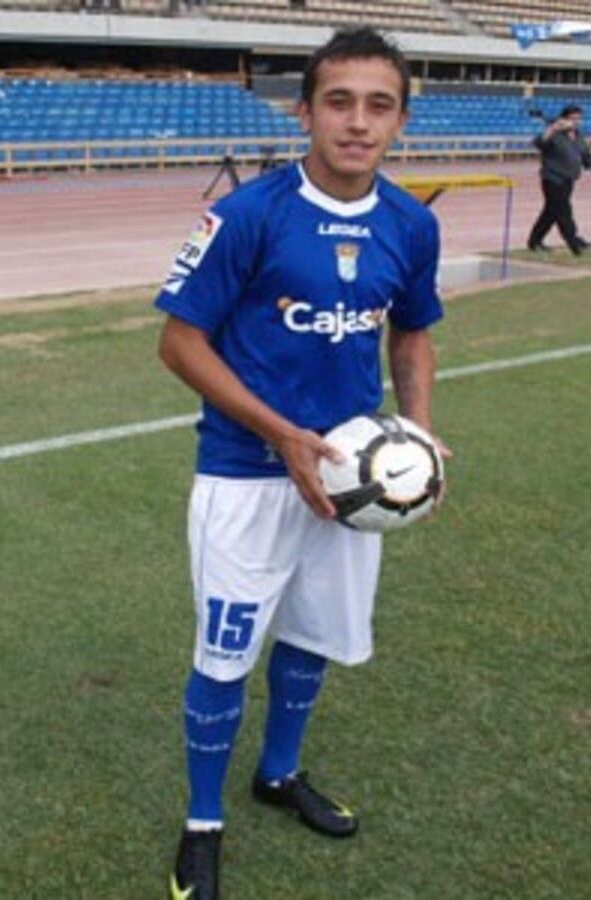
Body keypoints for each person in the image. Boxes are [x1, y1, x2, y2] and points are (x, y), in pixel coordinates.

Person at [154, 26, 449, 900]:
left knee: (314, 637)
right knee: (225, 654)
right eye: (339, 101)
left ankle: (277, 775)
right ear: (306, 110)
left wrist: (420, 431)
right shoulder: (249, 215)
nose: (358, 122)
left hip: (353, 480)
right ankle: (203, 824)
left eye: (379, 105)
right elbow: (179, 342)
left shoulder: (412, 223)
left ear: (400, 121)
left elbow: (415, 331)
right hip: (247, 471)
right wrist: (280, 432)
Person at [526, 104, 591, 255]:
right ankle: (573, 242)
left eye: (578, 119)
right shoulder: (555, 134)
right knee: (564, 210)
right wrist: (553, 129)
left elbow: (584, 152)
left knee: (551, 212)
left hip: (568, 179)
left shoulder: (578, 135)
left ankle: (534, 241)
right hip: (552, 178)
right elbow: (538, 143)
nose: (575, 122)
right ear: (564, 119)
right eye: (572, 119)